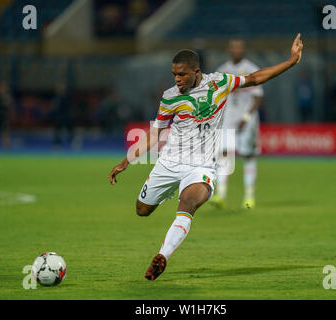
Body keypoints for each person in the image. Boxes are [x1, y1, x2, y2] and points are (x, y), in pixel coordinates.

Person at [108, 34, 303, 281]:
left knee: (188, 203)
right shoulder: (170, 96)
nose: (177, 80)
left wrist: (291, 62)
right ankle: (169, 190)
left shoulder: (219, 83)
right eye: (174, 75)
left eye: (182, 75)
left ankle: (162, 256)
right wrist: (127, 161)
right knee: (142, 210)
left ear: (196, 72)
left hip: (201, 165)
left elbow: (254, 78)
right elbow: (155, 132)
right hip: (169, 162)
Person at [210, 39, 264, 209]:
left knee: (248, 155)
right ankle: (221, 195)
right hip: (227, 119)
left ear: (243, 50)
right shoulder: (222, 71)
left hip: (247, 120)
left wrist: (246, 118)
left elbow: (257, 97)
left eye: (239, 47)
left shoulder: (251, 69)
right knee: (223, 154)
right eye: (233, 47)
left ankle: (249, 197)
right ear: (229, 49)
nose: (236, 50)